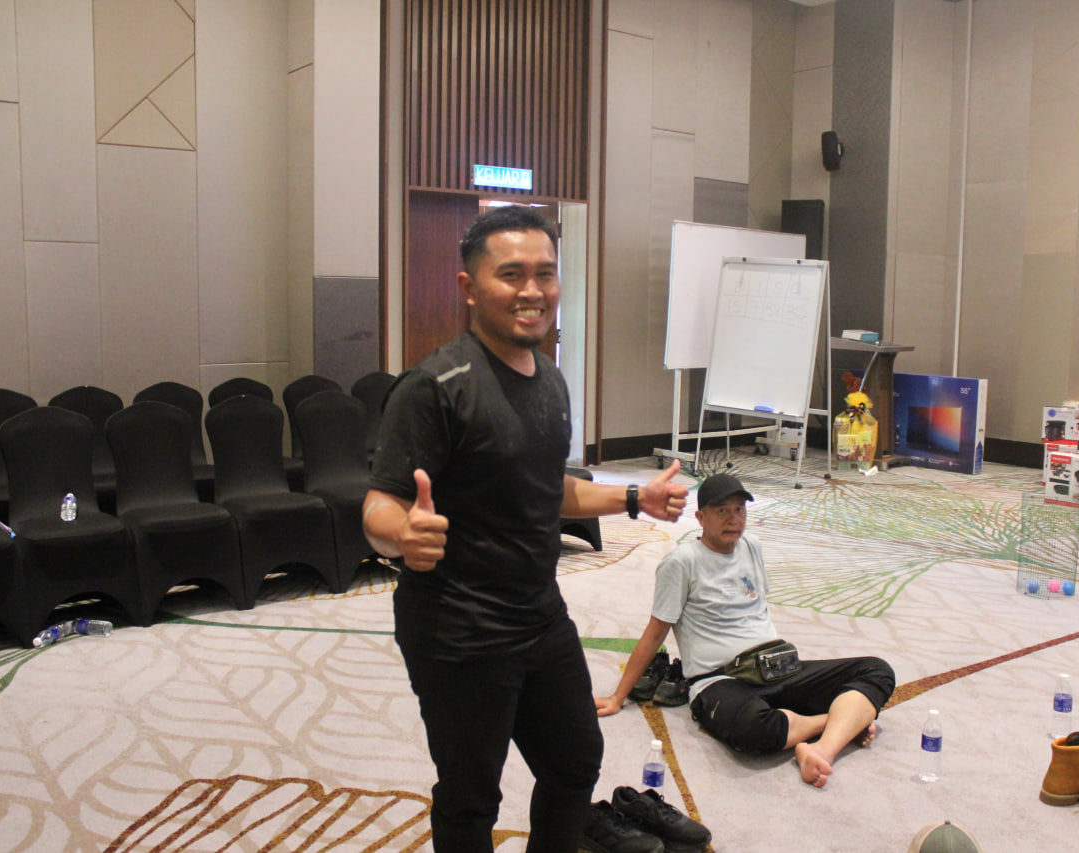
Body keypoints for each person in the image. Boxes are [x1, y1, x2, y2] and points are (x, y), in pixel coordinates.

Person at [362, 204, 689, 853]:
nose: (532, 290)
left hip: (538, 613)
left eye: (545, 273)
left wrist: (635, 496)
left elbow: (548, 487)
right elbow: (379, 502)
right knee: (471, 796)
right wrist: (402, 535)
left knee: (574, 761)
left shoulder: (551, 383)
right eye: (511, 274)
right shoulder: (434, 387)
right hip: (458, 626)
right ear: (469, 287)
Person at [595, 472, 895, 788]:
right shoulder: (682, 562)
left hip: (777, 668)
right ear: (700, 518)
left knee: (877, 670)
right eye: (722, 510)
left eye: (739, 509)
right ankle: (840, 724)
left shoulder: (751, 545)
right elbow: (655, 632)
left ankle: (822, 749)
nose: (733, 519)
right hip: (720, 680)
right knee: (754, 730)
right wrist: (618, 696)